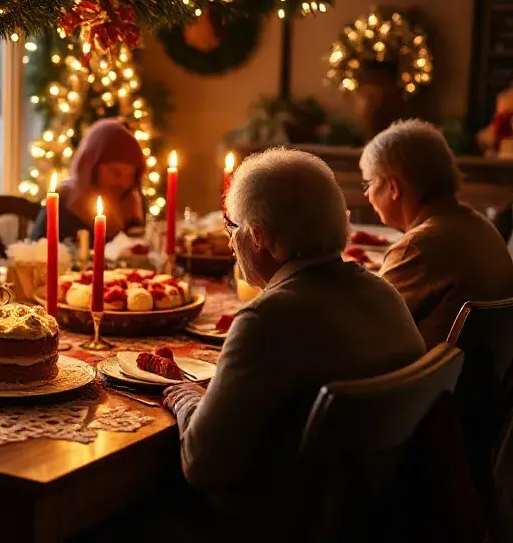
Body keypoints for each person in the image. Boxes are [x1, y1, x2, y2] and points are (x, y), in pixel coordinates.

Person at [163, 149, 425, 531]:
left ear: (259, 238)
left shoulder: (265, 320)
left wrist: (188, 400)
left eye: (231, 228)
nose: (231, 243)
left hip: (282, 523)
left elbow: (201, 465)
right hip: (379, 517)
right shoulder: (385, 295)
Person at [361, 118, 513, 349]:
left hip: (421, 382)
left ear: (393, 187)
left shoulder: (420, 245)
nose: (367, 195)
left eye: (369, 183)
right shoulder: (477, 226)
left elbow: (361, 326)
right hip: (473, 380)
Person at [30, 119, 146, 243]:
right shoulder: (61, 207)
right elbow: (39, 251)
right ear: (91, 167)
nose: (123, 182)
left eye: (130, 175)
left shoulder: (132, 207)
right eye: (115, 172)